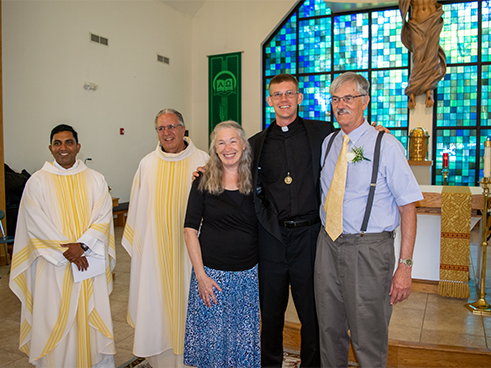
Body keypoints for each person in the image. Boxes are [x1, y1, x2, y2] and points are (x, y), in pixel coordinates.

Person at [315, 72, 423, 367]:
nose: (340, 105)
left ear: (365, 101)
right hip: (328, 244)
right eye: (336, 99)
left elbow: (408, 207)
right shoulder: (330, 143)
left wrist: (405, 266)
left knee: (368, 335)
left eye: (348, 98)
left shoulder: (385, 145)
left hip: (369, 249)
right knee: (328, 329)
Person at [9, 124, 116, 368]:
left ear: (78, 147)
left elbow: (103, 215)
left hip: (88, 263)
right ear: (50, 148)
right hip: (53, 266)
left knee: (90, 320)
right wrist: (66, 251)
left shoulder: (96, 179)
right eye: (58, 143)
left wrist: (83, 245)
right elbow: (33, 222)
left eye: (69, 142)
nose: (63, 148)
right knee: (52, 319)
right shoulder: (37, 182)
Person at [249, 73, 334, 367]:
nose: (283, 100)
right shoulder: (255, 143)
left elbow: (353, 144)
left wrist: (377, 132)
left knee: (311, 312)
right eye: (277, 95)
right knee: (271, 313)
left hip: (309, 237)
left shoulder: (324, 133)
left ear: (299, 97)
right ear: (269, 100)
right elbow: (235, 175)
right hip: (271, 238)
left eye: (289, 94)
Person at [122, 109, 209, 367]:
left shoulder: (203, 160)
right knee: (157, 307)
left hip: (192, 253)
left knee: (190, 306)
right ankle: (161, 359)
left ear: (184, 129)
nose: (167, 132)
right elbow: (138, 211)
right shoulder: (146, 164)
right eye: (162, 128)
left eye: (172, 126)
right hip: (155, 254)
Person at [183, 121, 260, 367]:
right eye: (221, 143)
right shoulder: (203, 180)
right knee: (213, 345)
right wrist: (201, 276)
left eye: (233, 141)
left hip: (248, 276)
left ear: (244, 144)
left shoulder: (258, 180)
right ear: (215, 149)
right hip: (212, 276)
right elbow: (189, 229)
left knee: (243, 343)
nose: (228, 148)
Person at [400, 0, 446, 109]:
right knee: (418, 56)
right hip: (416, 23)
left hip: (432, 21)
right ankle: (413, 90)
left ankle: (429, 88)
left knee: (431, 55)